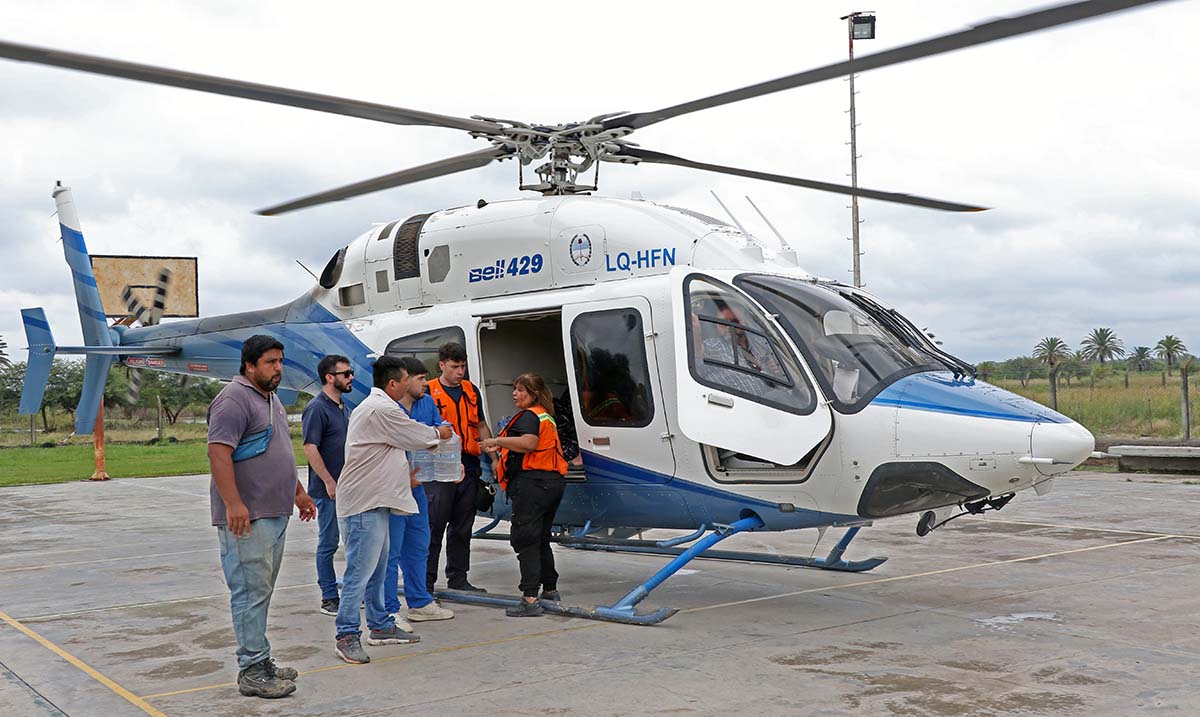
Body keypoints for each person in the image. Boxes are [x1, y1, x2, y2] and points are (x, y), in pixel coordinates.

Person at [207, 334, 316, 699]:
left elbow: (277, 450)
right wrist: (233, 503)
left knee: (261, 591)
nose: (278, 368)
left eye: (280, 361)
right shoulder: (233, 399)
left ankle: (259, 658)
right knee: (250, 593)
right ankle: (251, 670)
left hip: (274, 511)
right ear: (249, 365)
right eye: (270, 362)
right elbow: (219, 453)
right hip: (247, 516)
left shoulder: (269, 398)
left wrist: (297, 492)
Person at [333, 356, 452, 665]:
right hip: (364, 504)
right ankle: (346, 635)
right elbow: (415, 435)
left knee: (376, 569)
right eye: (406, 379)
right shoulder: (382, 409)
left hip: (377, 501)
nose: (412, 384)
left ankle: (380, 625)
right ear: (393, 384)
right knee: (360, 572)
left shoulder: (380, 407)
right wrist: (439, 433)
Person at [480, 372, 568, 617]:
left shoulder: (530, 416)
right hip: (552, 482)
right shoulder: (545, 415)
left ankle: (530, 598)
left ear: (534, 394)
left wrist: (497, 441)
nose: (514, 394)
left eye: (520, 390)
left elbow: (529, 443)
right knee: (541, 537)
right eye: (514, 389)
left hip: (533, 484)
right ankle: (550, 589)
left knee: (525, 538)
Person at [384, 356, 456, 623]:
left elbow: (443, 429)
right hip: (393, 489)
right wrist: (432, 435)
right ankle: (388, 610)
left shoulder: (426, 402)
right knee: (390, 552)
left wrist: (439, 437)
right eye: (421, 379)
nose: (426, 383)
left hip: (418, 487)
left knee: (419, 544)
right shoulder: (386, 409)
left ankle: (420, 601)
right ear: (404, 381)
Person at [426, 342, 491, 593]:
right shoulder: (428, 391)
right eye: (455, 367)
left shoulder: (471, 391)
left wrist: (494, 458)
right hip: (440, 470)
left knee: (463, 527)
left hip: (469, 466)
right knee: (434, 527)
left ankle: (458, 578)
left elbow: (481, 425)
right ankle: (426, 584)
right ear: (442, 365)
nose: (460, 371)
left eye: (463, 366)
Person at [301, 354, 352, 617]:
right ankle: (329, 596)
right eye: (346, 374)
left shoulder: (343, 407)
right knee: (329, 543)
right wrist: (329, 481)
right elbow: (310, 448)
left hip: (349, 489)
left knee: (354, 543)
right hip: (328, 491)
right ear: (330, 377)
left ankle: (353, 594)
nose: (351, 377)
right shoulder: (317, 408)